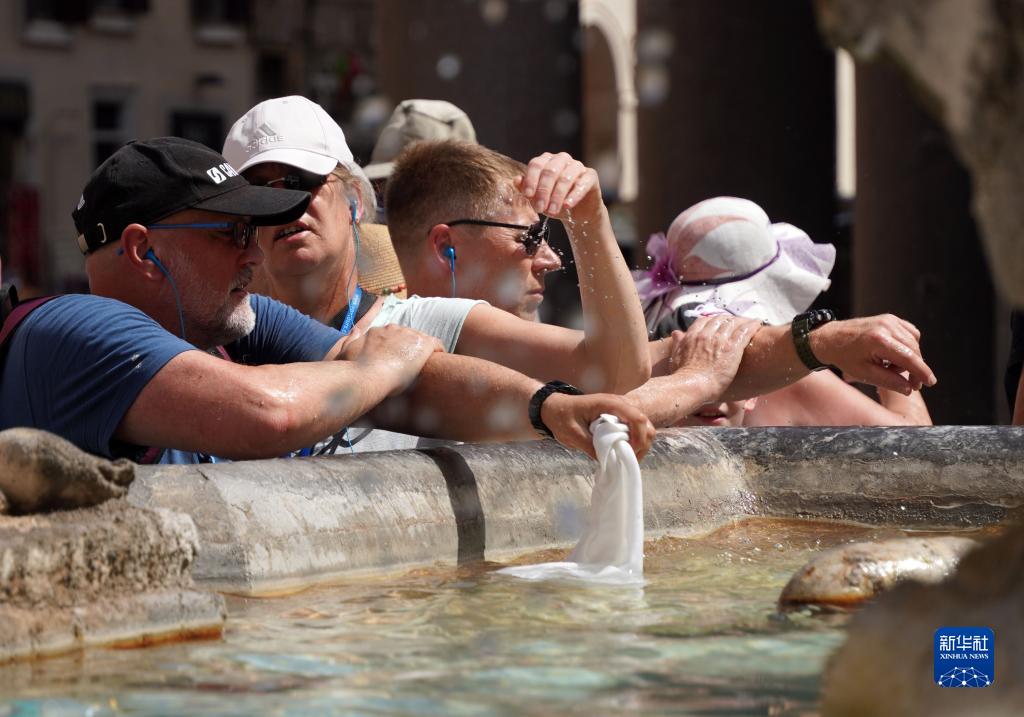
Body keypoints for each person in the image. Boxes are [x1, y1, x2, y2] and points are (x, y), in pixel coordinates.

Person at [0, 137, 655, 463]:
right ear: (144, 252)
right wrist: (378, 366)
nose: (253, 255)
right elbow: (272, 413)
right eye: (232, 233)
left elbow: (412, 388)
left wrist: (549, 407)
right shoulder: (75, 330)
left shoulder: (230, 322)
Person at [385, 157, 937, 425]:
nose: (551, 259)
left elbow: (637, 365)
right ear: (445, 246)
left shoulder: (408, 329)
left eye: (549, 237)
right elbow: (620, 379)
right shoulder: (403, 333)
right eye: (532, 238)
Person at [222, 97, 652, 408]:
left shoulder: (428, 323)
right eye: (259, 193)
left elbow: (616, 372)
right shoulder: (212, 342)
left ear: (355, 201)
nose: (286, 204)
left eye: (302, 182)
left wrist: (590, 218)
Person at [635, 196, 932, 426]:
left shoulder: (635, 364)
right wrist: (892, 367)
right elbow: (918, 449)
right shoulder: (793, 378)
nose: (715, 397)